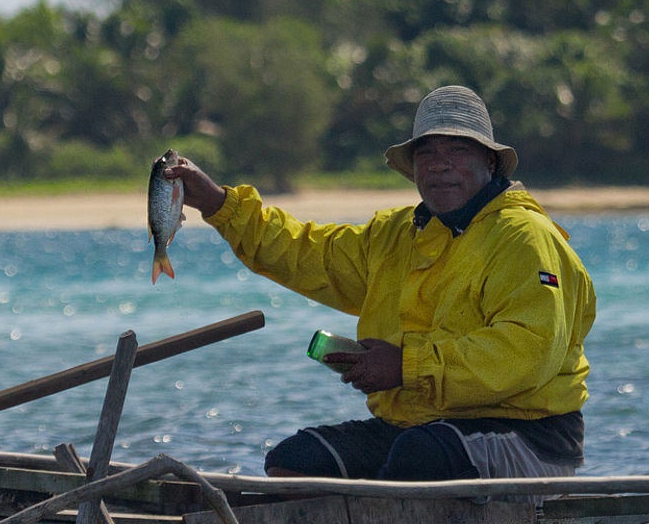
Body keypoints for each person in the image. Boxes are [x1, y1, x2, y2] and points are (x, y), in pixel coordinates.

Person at [165, 85, 596, 482]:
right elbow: (308, 254)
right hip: (420, 427)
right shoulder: (394, 234)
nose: (441, 164)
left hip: (528, 437)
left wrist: (405, 366)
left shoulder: (524, 237)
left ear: (488, 161)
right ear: (413, 169)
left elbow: (526, 353)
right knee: (296, 458)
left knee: (419, 457)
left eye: (457, 150)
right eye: (427, 153)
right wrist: (218, 204)